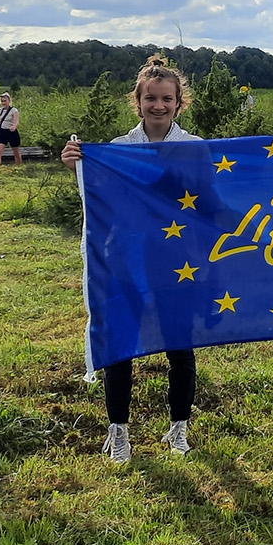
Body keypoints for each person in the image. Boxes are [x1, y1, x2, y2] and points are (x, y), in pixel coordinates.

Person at [61, 56, 201, 463]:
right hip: (125, 258)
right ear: (137, 102)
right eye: (151, 98)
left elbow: (209, 202)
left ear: (179, 104)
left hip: (177, 261)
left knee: (180, 346)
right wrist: (78, 164)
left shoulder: (194, 150)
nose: (158, 105)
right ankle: (118, 431)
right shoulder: (118, 151)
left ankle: (179, 428)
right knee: (122, 343)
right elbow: (101, 198)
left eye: (167, 99)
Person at [0, 92, 21, 167]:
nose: (3, 103)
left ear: (9, 101)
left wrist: (14, 126)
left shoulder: (14, 110)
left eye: (5, 101)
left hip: (11, 132)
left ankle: (19, 166)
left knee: (16, 152)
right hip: (2, 132)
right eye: (2, 101)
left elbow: (16, 121)